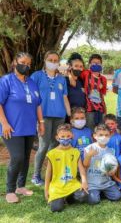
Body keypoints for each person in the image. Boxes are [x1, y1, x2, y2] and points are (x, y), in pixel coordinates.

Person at [0, 52, 44, 203]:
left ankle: (21, 186)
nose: (26, 66)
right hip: (12, 128)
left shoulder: (31, 82)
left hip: (29, 127)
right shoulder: (6, 81)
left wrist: (41, 123)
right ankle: (10, 190)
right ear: (14, 62)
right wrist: (4, 123)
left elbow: (38, 104)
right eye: (23, 62)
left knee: (25, 158)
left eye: (29, 64)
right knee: (17, 157)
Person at [31, 50, 71, 186]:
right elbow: (31, 97)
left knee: (55, 146)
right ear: (45, 60)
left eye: (56, 61)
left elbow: (65, 98)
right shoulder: (36, 76)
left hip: (59, 116)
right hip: (43, 116)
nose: (53, 63)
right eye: (51, 60)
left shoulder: (61, 79)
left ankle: (52, 172)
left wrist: (69, 115)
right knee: (43, 145)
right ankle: (36, 175)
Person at [44, 124, 88, 212]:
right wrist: (46, 190)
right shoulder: (52, 153)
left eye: (68, 136)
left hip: (72, 184)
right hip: (57, 186)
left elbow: (81, 169)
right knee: (56, 208)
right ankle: (61, 198)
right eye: (62, 136)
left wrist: (84, 182)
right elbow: (48, 173)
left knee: (83, 195)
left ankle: (67, 198)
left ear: (72, 136)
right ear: (57, 137)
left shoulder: (75, 152)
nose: (65, 138)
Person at [83, 124, 121, 204]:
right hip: (92, 183)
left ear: (110, 135)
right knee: (94, 200)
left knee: (117, 196)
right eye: (100, 135)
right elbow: (85, 165)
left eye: (106, 135)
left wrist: (112, 172)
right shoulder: (89, 148)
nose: (103, 137)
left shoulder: (111, 151)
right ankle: (97, 193)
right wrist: (89, 155)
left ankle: (101, 192)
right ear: (95, 136)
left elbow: (113, 167)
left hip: (106, 182)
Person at [81, 54, 107, 130]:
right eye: (93, 62)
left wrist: (105, 110)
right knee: (90, 131)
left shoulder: (103, 79)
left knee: (101, 131)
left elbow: (102, 96)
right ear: (89, 64)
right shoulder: (86, 73)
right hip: (89, 110)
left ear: (101, 64)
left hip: (100, 110)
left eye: (98, 63)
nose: (96, 64)